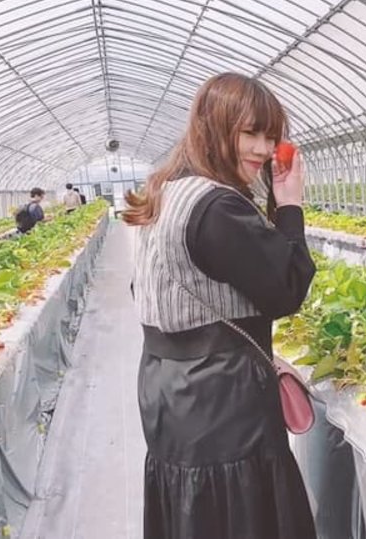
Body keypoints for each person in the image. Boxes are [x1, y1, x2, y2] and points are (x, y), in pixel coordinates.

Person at [123, 72, 317, 539]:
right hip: (224, 405)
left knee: (198, 517)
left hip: (170, 393)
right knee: (241, 516)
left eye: (271, 136)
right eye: (250, 132)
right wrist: (289, 205)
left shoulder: (166, 192)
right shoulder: (217, 207)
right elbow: (287, 287)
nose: (263, 148)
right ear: (212, 127)